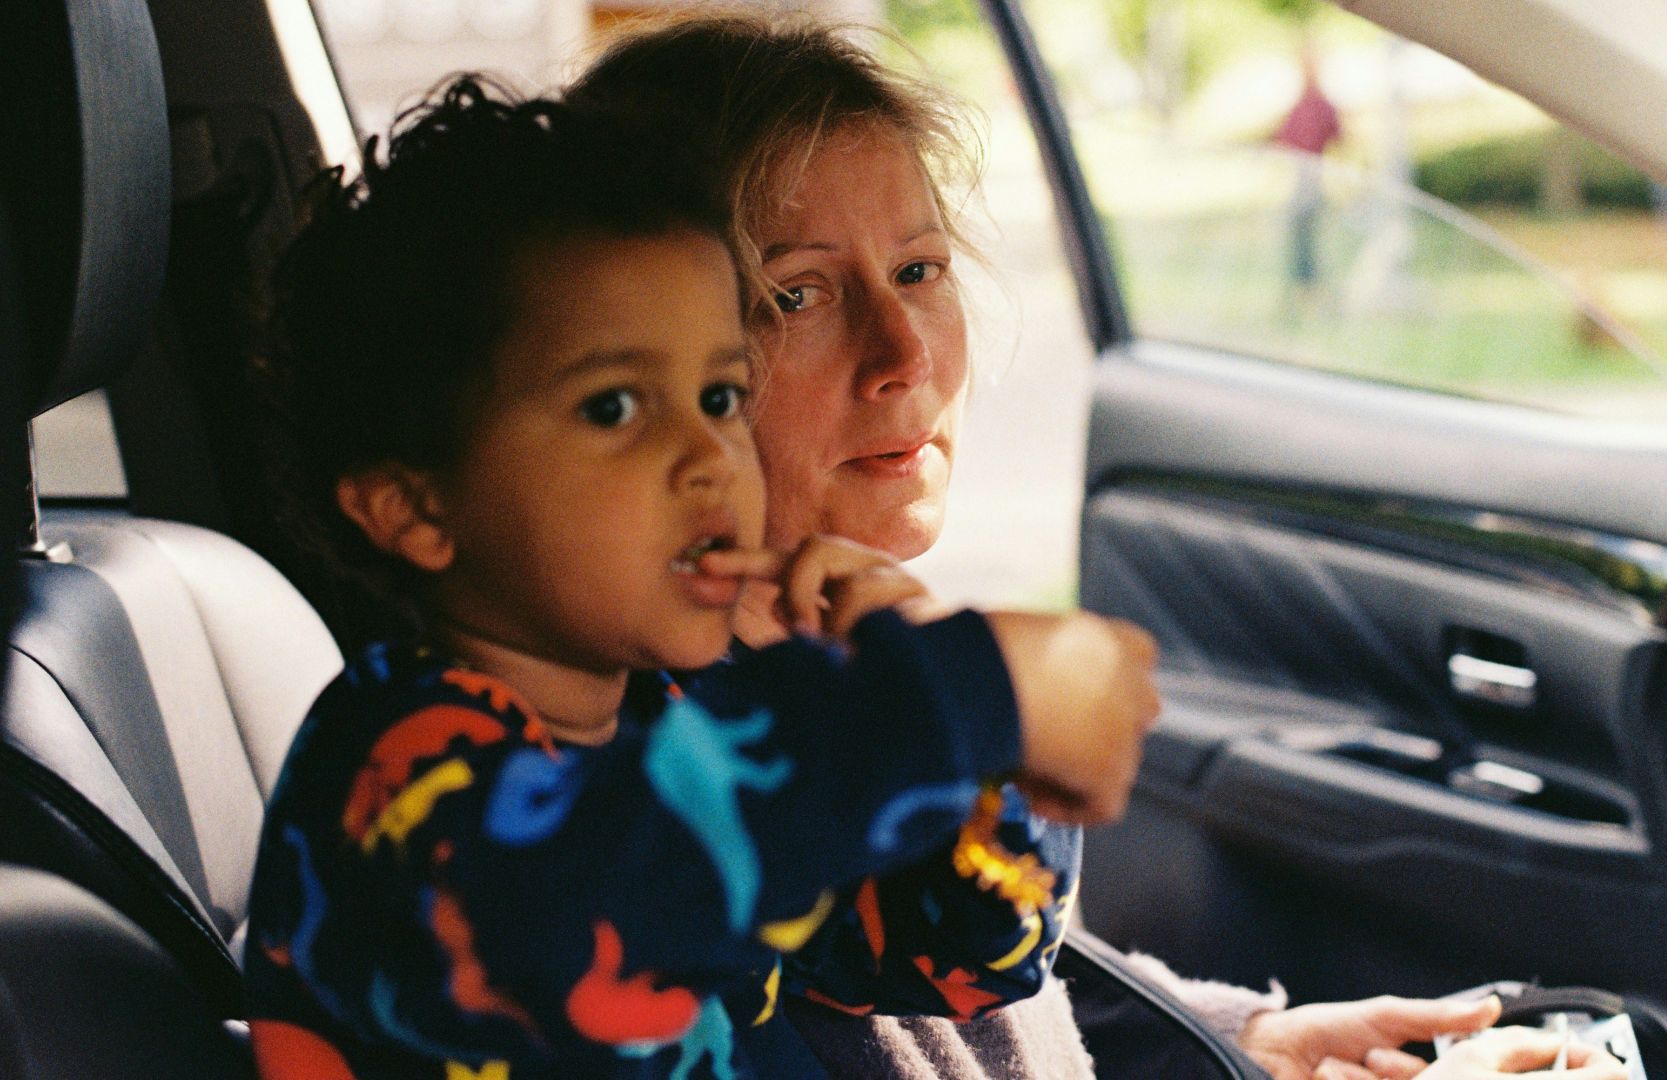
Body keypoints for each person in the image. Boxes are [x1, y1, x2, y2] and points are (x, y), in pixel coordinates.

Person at [569, 13, 1625, 1080]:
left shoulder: (806, 647)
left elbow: (980, 996)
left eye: (922, 270)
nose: (904, 354)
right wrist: (978, 693)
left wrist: (1239, 1046)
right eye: (796, 294)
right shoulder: (645, 757)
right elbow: (952, 947)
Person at [243, 78, 1162, 1080]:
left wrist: (991, 766)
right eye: (614, 408)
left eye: (720, 395)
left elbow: (959, 964)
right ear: (417, 508)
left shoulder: (663, 728)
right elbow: (581, 916)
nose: (708, 457)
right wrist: (961, 689)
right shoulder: (388, 771)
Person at [1272, 45, 1342, 304]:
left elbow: (1339, 141)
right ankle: (1302, 291)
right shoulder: (1299, 106)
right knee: (1299, 237)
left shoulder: (1323, 106)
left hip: (1315, 179)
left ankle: (1315, 291)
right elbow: (1284, 141)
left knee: (1313, 237)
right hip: (1300, 179)